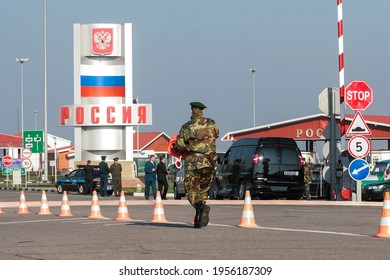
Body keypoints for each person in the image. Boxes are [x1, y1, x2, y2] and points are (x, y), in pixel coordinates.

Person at [173, 101, 219, 228]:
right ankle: (198, 220)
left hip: (193, 162)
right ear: (202, 111)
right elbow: (216, 135)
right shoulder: (212, 123)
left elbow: (180, 146)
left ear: (191, 110)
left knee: (191, 191)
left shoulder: (186, 127)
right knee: (203, 190)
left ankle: (201, 207)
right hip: (209, 161)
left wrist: (176, 147)